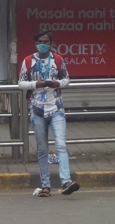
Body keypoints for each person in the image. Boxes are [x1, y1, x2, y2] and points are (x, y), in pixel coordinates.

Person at [18, 30, 79, 197]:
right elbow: (21, 83)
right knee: (42, 149)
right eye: (40, 42)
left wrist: (56, 83)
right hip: (37, 109)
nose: (43, 44)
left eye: (46, 42)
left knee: (61, 145)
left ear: (51, 43)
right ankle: (45, 185)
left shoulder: (58, 59)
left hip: (56, 107)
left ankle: (66, 181)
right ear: (35, 43)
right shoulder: (28, 61)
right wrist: (35, 84)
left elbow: (66, 80)